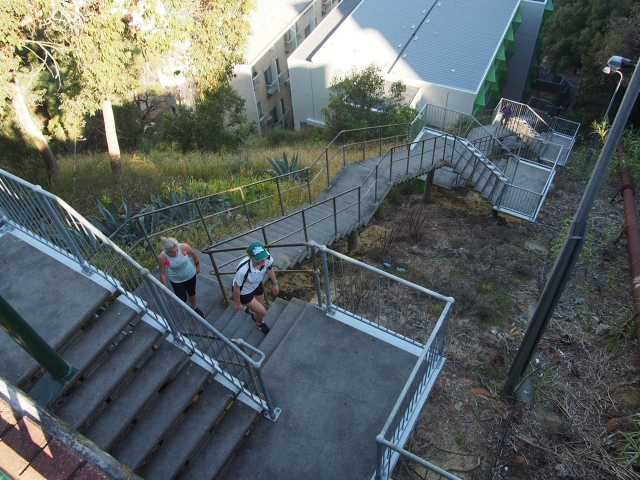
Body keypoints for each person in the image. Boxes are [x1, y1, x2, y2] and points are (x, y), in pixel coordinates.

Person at [233, 241, 280, 335]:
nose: (264, 261)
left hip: (257, 284)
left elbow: (269, 268)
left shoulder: (267, 258)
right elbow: (236, 287)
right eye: (260, 259)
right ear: (251, 258)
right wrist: (238, 303)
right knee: (262, 312)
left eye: (264, 257)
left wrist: (275, 283)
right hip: (244, 292)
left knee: (260, 304)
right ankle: (259, 323)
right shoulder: (243, 270)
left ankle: (250, 310)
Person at [158, 237, 204, 317]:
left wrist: (197, 265)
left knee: (192, 292)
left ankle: (194, 307)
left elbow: (193, 254)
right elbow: (162, 273)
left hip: (190, 274)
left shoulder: (183, 247)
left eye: (176, 251)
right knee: (182, 297)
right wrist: (165, 290)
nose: (176, 254)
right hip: (177, 279)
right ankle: (186, 305)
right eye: (172, 252)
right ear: (166, 251)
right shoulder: (162, 257)